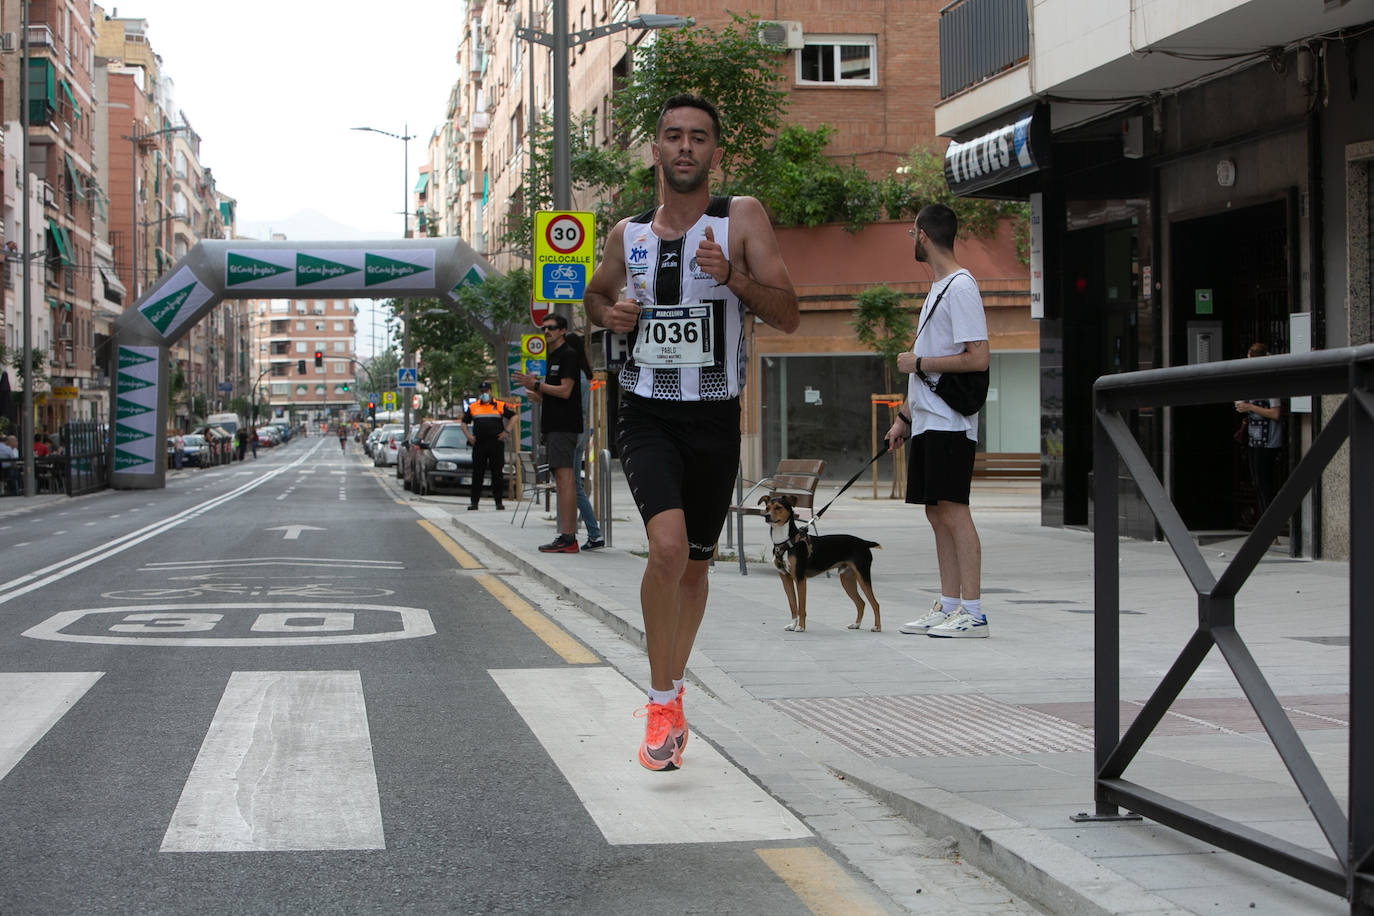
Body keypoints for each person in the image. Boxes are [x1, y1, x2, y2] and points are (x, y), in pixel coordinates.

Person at [583, 93, 800, 771]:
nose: (684, 148)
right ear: (655, 150)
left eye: (698, 138)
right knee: (667, 548)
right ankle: (656, 698)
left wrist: (730, 276)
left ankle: (674, 694)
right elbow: (594, 295)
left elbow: (789, 312)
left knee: (696, 567)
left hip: (713, 415)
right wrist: (609, 315)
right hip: (645, 409)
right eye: (672, 136)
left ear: (714, 152)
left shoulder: (741, 218)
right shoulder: (629, 235)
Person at [884, 203, 991, 639]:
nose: (912, 240)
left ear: (924, 235)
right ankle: (949, 605)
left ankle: (975, 612)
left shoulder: (961, 286)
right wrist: (904, 418)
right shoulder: (939, 288)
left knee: (954, 511)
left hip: (951, 424)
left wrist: (918, 360)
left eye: (913, 233)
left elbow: (978, 357)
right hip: (928, 421)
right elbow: (930, 374)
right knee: (935, 511)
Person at [513, 314, 583, 552]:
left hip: (564, 427)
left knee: (566, 480)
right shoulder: (552, 356)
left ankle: (568, 537)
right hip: (555, 425)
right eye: (544, 328)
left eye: (551, 328)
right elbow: (558, 396)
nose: (546, 332)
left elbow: (565, 391)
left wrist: (536, 385)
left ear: (562, 330)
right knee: (562, 481)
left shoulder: (568, 356)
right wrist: (539, 397)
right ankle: (565, 535)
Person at [1235, 342, 1284, 522]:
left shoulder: (1270, 383)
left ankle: (1272, 526)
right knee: (1257, 482)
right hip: (1254, 438)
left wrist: (1250, 406)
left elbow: (1276, 413)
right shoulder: (1252, 381)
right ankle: (1267, 524)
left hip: (1268, 439)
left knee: (1264, 483)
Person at [564, 332, 604, 549]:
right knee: (574, 485)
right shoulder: (582, 374)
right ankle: (592, 533)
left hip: (572, 431)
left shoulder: (575, 376)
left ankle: (592, 533)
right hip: (579, 430)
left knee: (572, 485)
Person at [462, 380, 516, 510]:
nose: (484, 394)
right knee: (477, 474)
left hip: (496, 443)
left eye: (486, 391)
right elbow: (464, 423)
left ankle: (498, 502)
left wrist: (506, 431)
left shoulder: (499, 405)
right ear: (479, 393)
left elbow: (514, 417)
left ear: (491, 392)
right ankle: (474, 502)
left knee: (497, 473)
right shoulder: (473, 407)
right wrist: (469, 437)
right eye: (482, 392)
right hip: (479, 443)